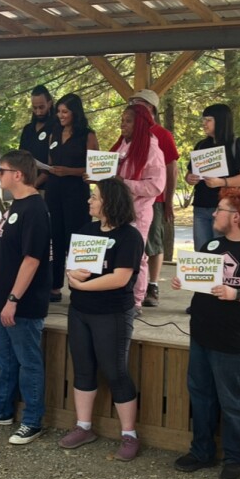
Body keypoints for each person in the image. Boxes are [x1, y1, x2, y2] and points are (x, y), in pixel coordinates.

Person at [170, 188, 240, 479]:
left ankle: (234, 458)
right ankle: (201, 451)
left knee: (232, 402)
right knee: (200, 395)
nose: (214, 214)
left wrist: (237, 294)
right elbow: (202, 280)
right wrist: (184, 280)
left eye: (220, 210)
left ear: (236, 217)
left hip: (234, 341)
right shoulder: (211, 245)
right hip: (201, 334)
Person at [0, 150, 51, 445]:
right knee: (4, 359)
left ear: (18, 174)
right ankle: (2, 409)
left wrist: (13, 300)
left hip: (21, 303)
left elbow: (32, 259)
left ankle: (32, 420)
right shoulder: (16, 205)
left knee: (28, 362)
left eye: (1, 171)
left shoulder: (35, 210)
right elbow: (13, 239)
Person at [59, 178, 143, 461]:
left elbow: (120, 278)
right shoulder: (88, 230)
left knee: (115, 371)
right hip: (80, 311)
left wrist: (81, 286)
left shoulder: (130, 236)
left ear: (110, 202)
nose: (89, 200)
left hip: (112, 312)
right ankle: (83, 427)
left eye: (94, 196)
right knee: (83, 368)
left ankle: (129, 435)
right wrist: (72, 275)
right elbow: (73, 265)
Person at [110, 103, 166, 313]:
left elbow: (156, 186)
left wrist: (124, 183)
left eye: (128, 121)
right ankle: (119, 296)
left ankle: (136, 301)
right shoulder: (124, 145)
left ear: (140, 123)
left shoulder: (152, 149)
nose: (122, 125)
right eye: (122, 120)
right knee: (116, 255)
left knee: (136, 256)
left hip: (138, 212)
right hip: (118, 210)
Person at [45, 93, 99, 302]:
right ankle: (54, 286)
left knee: (78, 239)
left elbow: (95, 169)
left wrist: (69, 171)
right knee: (55, 236)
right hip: (54, 190)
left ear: (75, 112)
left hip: (76, 192)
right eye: (58, 111)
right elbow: (50, 161)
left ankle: (81, 285)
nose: (60, 115)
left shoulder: (87, 135)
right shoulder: (54, 132)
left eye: (65, 112)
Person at [128, 90, 179, 308]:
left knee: (152, 244)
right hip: (127, 203)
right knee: (133, 248)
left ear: (150, 108)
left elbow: (172, 168)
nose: (133, 104)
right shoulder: (128, 137)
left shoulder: (161, 135)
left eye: (137, 102)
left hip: (153, 200)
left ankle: (152, 285)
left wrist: (168, 200)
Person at [184, 103, 240, 251]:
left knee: (224, 252)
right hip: (201, 207)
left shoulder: (238, 144)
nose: (204, 124)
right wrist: (190, 178)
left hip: (227, 209)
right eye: (203, 120)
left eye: (208, 120)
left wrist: (222, 182)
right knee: (202, 253)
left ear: (221, 121)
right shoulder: (201, 145)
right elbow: (189, 173)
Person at [18, 85, 56, 190]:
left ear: (49, 104)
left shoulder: (56, 128)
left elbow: (54, 163)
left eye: (41, 107)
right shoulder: (28, 129)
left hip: (49, 187)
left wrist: (36, 183)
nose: (38, 112)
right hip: (27, 185)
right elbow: (21, 157)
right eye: (35, 108)